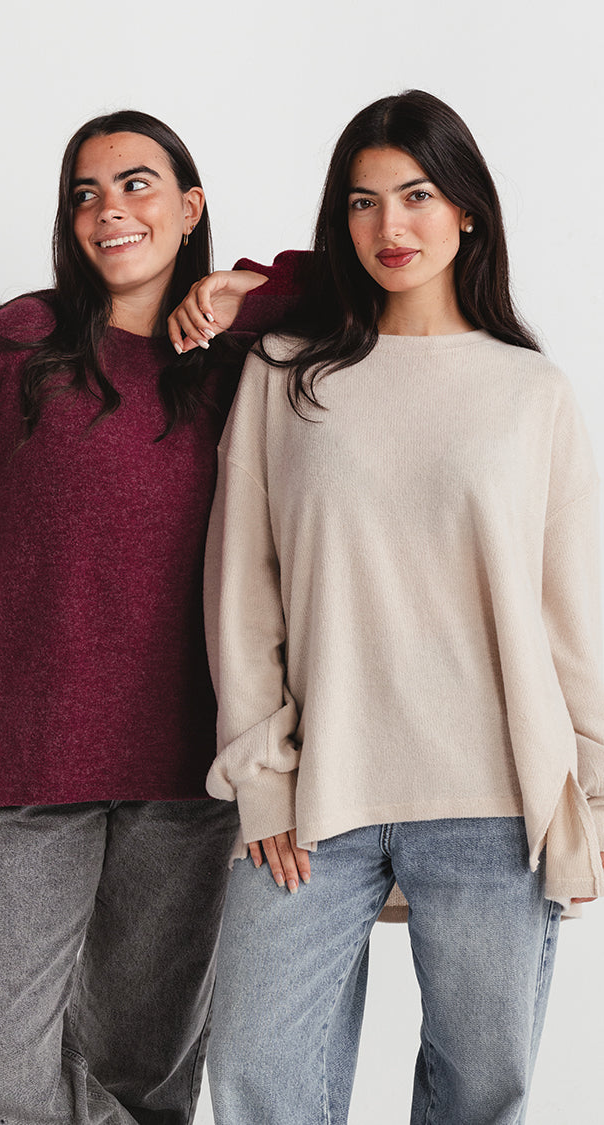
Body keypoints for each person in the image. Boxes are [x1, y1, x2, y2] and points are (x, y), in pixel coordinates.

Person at [0, 110, 303, 1125]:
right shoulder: (21, 344)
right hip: (36, 749)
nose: (109, 211)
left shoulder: (244, 360)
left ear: (190, 207)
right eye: (85, 193)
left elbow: (375, 285)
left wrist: (251, 290)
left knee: (145, 1074)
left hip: (190, 766)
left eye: (138, 184)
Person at [184, 90, 604, 1124]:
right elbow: (243, 592)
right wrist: (262, 781)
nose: (391, 225)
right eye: (363, 202)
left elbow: (570, 615)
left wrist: (590, 796)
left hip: (498, 798)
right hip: (316, 792)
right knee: (255, 1075)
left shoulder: (531, 391)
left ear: (467, 210)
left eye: (416, 195)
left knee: (482, 1092)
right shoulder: (286, 376)